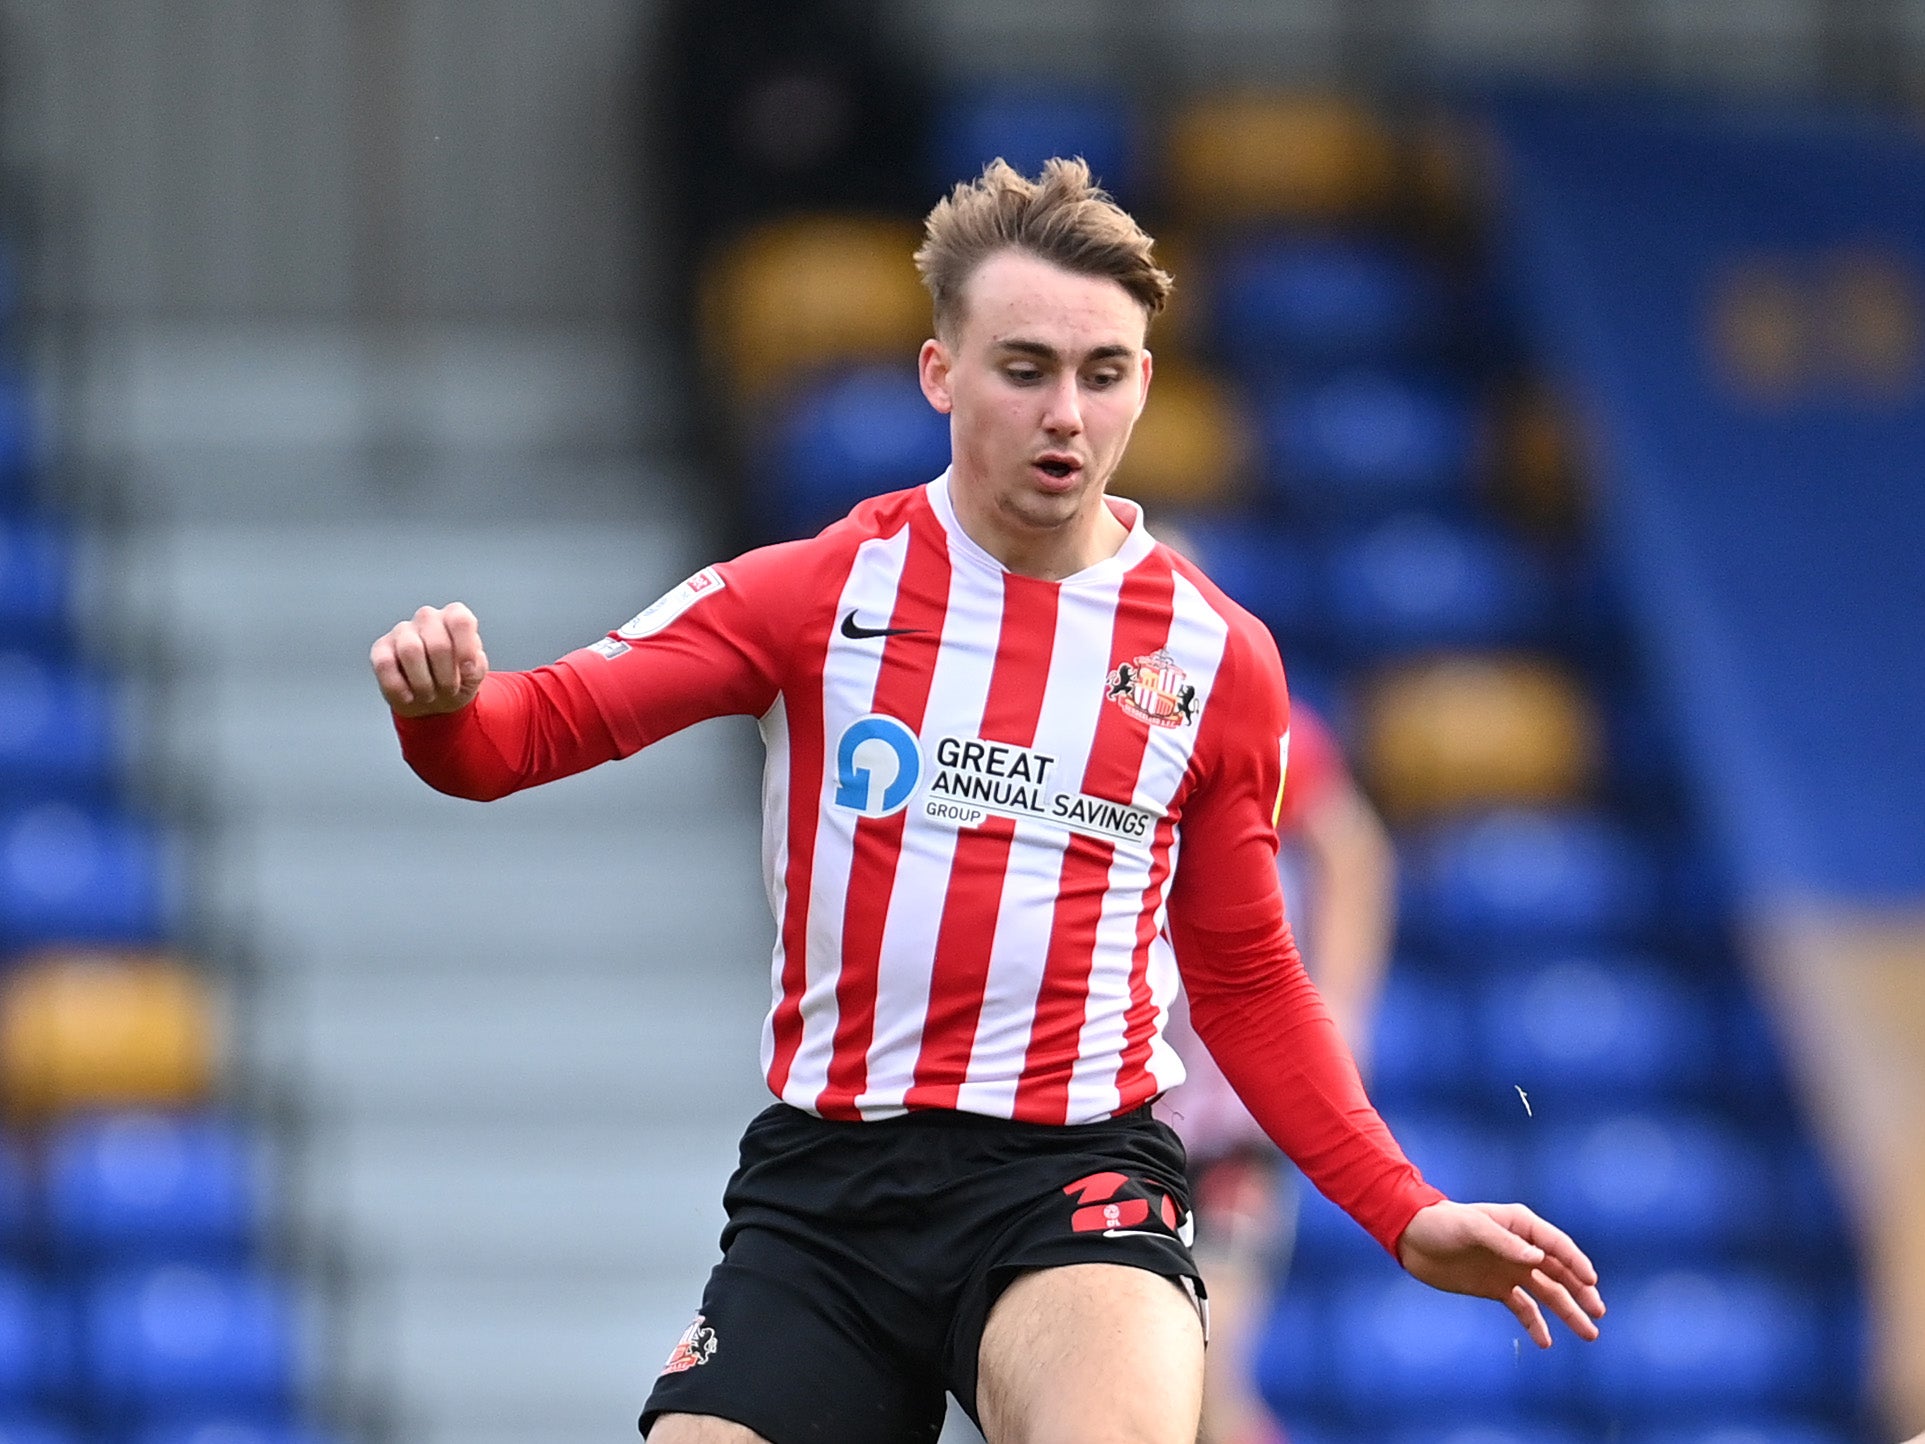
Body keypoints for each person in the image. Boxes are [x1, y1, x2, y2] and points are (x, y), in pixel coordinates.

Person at [370, 158, 1605, 1444]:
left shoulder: (1213, 657)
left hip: (1072, 1179)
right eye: (1023, 369)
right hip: (829, 1188)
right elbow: (515, 741)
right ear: (938, 374)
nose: (1065, 412)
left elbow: (1241, 978)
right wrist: (441, 707)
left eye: (1105, 372)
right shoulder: (816, 592)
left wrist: (1401, 1207)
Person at [1155, 700, 1397, 1444]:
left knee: (1202, 1364)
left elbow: (1351, 851)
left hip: (1231, 1118)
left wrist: (1339, 1021)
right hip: (1108, 1118)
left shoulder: (1237, 708)